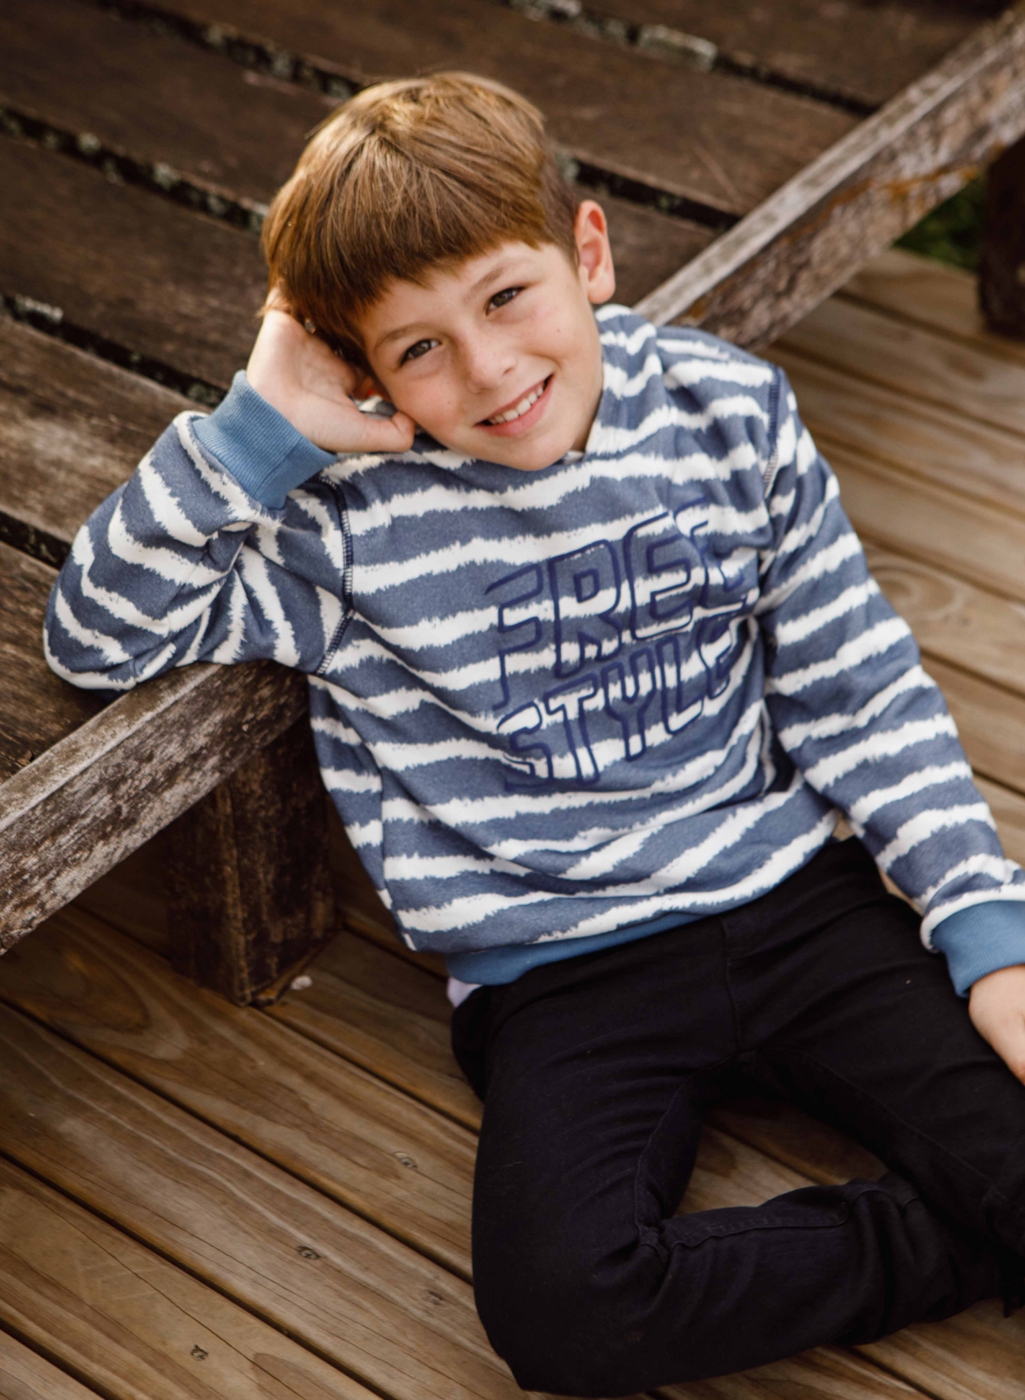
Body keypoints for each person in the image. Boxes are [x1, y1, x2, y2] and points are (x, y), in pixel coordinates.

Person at [44, 71, 1025, 1396]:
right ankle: (958, 1239)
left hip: (794, 896)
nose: (490, 368)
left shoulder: (728, 411)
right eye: (418, 348)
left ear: (588, 253)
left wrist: (986, 937)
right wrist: (255, 431)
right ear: (357, 367)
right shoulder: (344, 518)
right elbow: (96, 634)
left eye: (506, 296)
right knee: (566, 1311)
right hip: (560, 972)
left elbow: (859, 692)